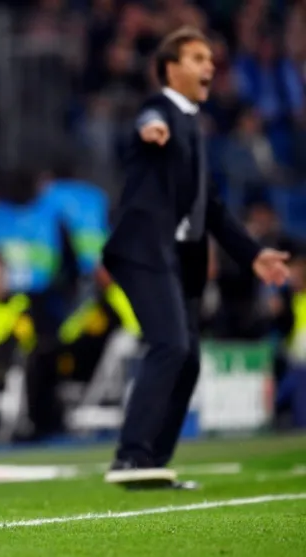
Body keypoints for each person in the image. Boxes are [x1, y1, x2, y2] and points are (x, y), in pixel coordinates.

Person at [101, 26, 290, 490]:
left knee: (187, 359)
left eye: (210, 59)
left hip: (177, 258)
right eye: (198, 58)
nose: (210, 66)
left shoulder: (193, 125)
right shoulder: (162, 110)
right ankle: (130, 456)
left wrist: (253, 255)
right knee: (171, 345)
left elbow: (214, 209)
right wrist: (150, 129)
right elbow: (146, 119)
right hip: (143, 249)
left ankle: (152, 462)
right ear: (170, 69)